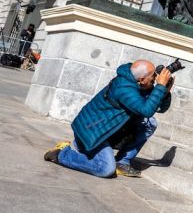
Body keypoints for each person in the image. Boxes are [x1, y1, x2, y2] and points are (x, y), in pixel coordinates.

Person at [43, 60, 173, 178]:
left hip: (108, 130)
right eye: (153, 76)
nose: (156, 79)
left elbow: (159, 108)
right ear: (142, 79)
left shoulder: (139, 84)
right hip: (92, 132)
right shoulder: (123, 88)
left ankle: (122, 162)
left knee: (150, 123)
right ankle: (62, 154)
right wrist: (160, 87)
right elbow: (146, 110)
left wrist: (165, 92)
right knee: (105, 169)